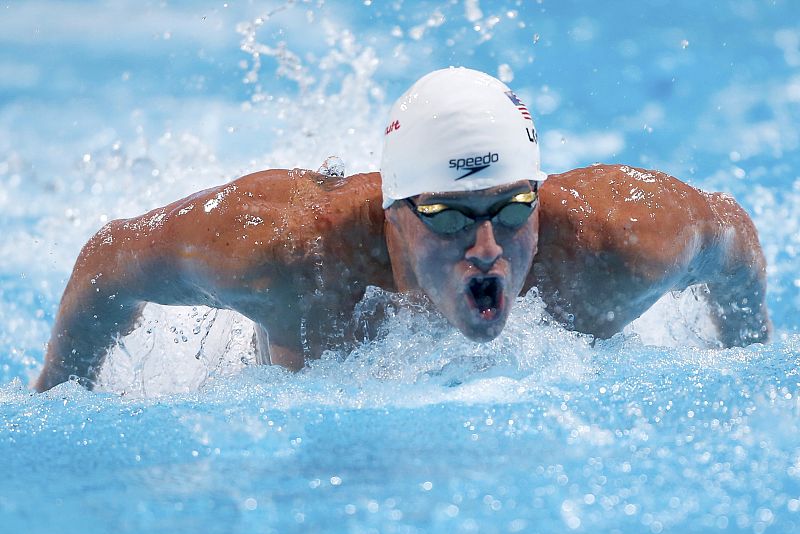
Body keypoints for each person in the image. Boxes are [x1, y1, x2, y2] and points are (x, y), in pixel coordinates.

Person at [34, 67, 770, 392]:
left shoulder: (622, 245)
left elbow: (735, 240)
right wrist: (58, 403)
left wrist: (746, 359)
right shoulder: (284, 254)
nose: (487, 249)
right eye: (449, 217)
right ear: (394, 214)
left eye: (512, 210)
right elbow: (106, 260)